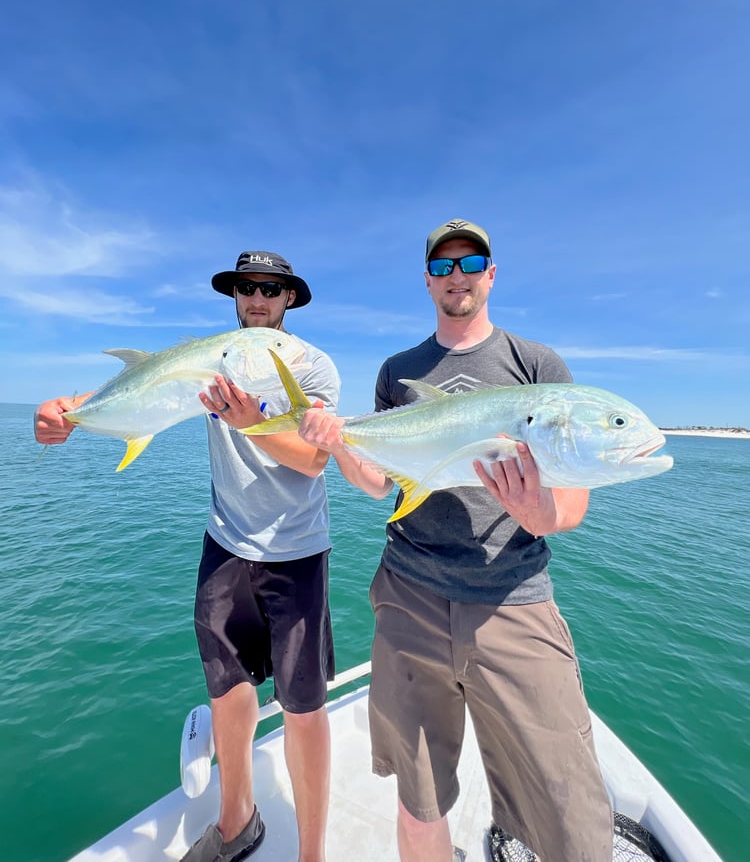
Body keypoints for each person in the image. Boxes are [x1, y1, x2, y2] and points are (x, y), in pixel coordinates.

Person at [297, 220, 613, 862]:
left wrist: (539, 512)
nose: (457, 276)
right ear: (427, 282)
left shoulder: (537, 366)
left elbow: (572, 501)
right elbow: (376, 478)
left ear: (492, 273)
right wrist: (335, 446)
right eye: (442, 267)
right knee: (419, 801)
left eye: (471, 263)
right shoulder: (398, 371)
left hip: (513, 599)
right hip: (409, 598)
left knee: (569, 809)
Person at [34, 250, 340, 862]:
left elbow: (313, 462)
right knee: (227, 690)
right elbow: (142, 385)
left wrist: (253, 420)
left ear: (289, 301)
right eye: (247, 288)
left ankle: (312, 854)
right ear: (235, 298)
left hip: (295, 552)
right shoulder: (212, 356)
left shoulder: (311, 369)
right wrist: (65, 411)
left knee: (303, 707)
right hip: (224, 541)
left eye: (271, 290)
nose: (258, 299)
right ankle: (237, 821)